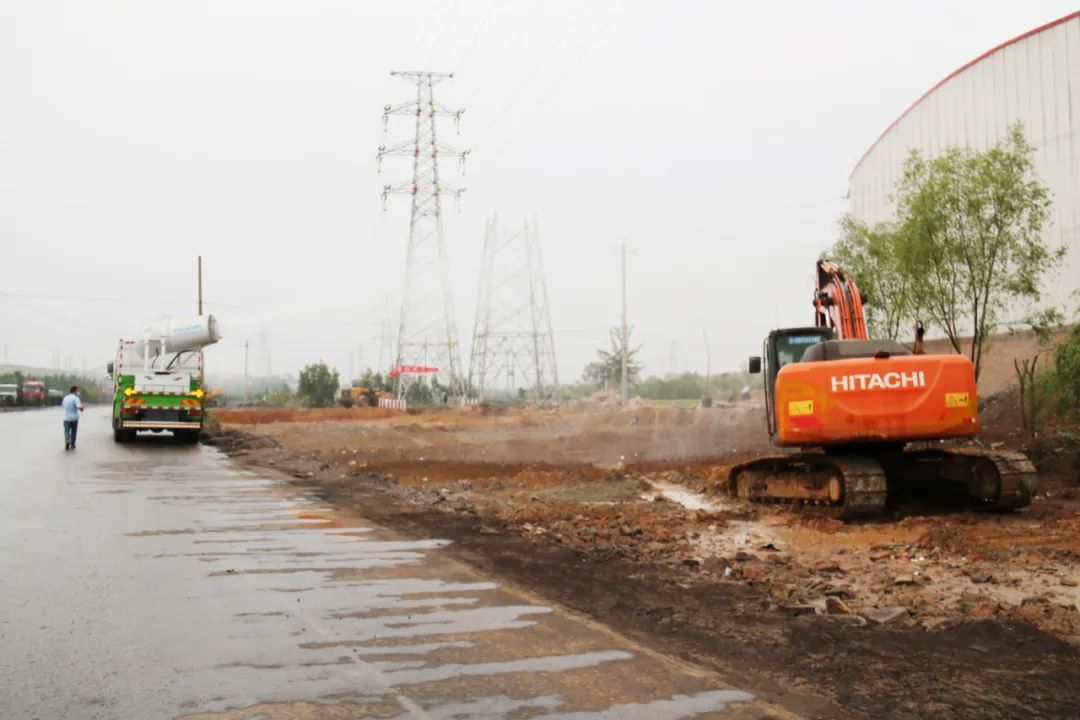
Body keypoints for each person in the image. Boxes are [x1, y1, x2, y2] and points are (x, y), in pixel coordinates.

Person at [61, 385, 84, 450]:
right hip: (74, 418)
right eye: (77, 390)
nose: (78, 392)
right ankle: (73, 444)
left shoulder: (65, 398)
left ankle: (67, 442)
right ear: (74, 391)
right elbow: (79, 407)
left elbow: (63, 406)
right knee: (73, 432)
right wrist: (82, 408)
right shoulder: (76, 398)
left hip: (66, 418)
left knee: (66, 431)